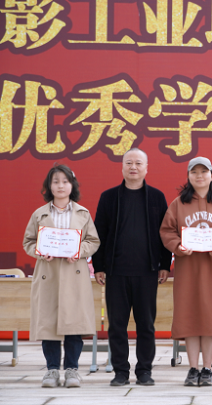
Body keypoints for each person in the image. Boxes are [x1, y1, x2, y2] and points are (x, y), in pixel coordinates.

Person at [93, 148, 172, 387]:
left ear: (146, 168)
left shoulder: (156, 197)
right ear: (122, 167)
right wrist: (99, 266)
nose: (133, 167)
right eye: (129, 162)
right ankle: (120, 371)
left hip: (147, 271)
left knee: (146, 324)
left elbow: (165, 233)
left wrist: (164, 264)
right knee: (117, 325)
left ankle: (144, 370)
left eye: (138, 163)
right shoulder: (109, 197)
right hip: (116, 271)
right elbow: (99, 233)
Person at [160, 157, 212, 387]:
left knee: (210, 319)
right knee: (190, 317)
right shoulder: (178, 204)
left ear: (211, 175)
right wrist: (179, 246)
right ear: (188, 176)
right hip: (187, 268)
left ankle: (207, 369)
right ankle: (193, 368)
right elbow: (167, 231)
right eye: (194, 172)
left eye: (204, 171)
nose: (199, 176)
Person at [23, 164, 100, 388]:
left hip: (74, 275)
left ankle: (72, 370)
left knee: (74, 325)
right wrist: (40, 251)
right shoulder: (39, 214)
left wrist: (78, 251)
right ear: (49, 186)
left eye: (65, 181)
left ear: (72, 185)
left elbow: (93, 241)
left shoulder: (83, 213)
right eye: (55, 181)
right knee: (49, 326)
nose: (60, 186)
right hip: (48, 275)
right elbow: (28, 242)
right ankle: (52, 371)